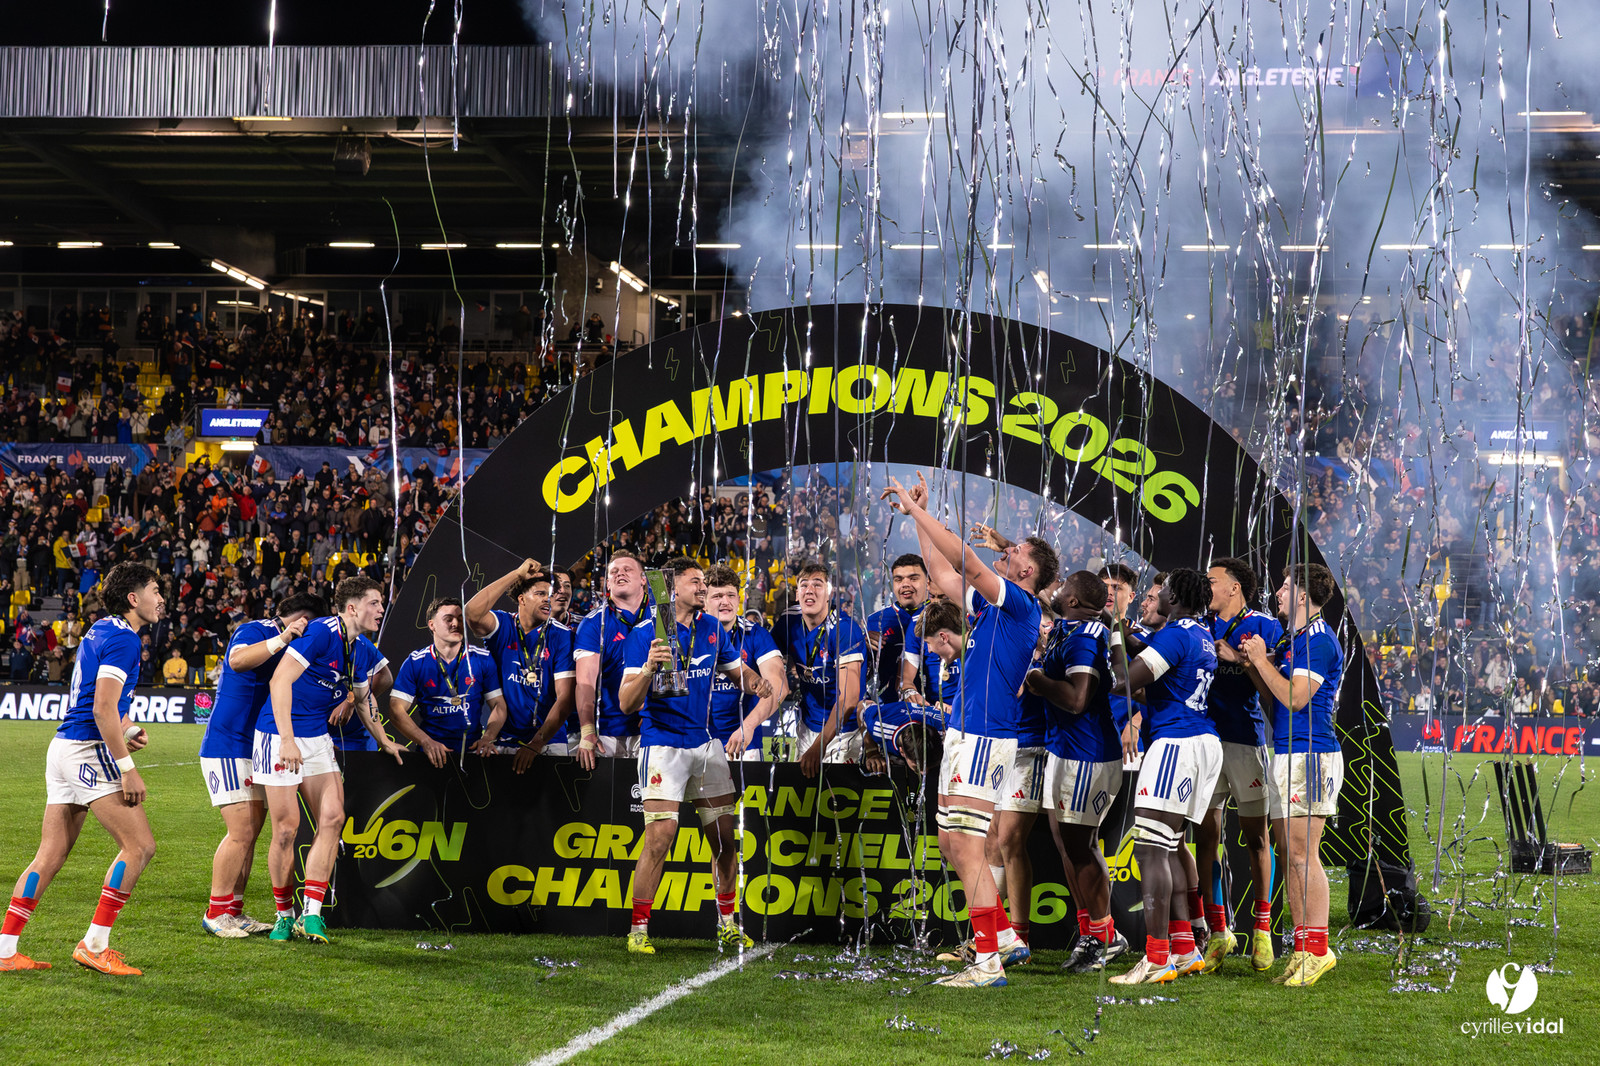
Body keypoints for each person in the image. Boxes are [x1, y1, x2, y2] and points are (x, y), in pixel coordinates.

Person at [881, 471, 1057, 988]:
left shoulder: (1020, 603)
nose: (1007, 549)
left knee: (965, 845)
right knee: (948, 839)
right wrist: (919, 516)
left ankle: (986, 962)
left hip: (983, 736)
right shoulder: (994, 608)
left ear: (1028, 569)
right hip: (968, 733)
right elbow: (942, 572)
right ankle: (1002, 936)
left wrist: (917, 510)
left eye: (1016, 550)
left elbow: (966, 560)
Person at [1, 562, 165, 975]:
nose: (161, 599)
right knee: (140, 846)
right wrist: (127, 768)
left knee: (50, 854)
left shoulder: (100, 629)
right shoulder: (125, 639)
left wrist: (128, 729)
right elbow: (101, 708)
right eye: (155, 590)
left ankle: (5, 949)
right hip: (86, 750)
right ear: (134, 598)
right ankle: (94, 945)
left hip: (63, 747)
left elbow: (104, 704)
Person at [617, 557, 772, 954]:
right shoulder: (646, 633)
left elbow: (738, 672)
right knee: (660, 837)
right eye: (695, 582)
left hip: (704, 745)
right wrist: (648, 669)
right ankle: (638, 931)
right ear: (672, 588)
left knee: (724, 839)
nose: (703, 588)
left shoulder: (712, 629)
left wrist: (757, 683)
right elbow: (626, 703)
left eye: (704, 582)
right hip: (661, 744)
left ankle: (727, 923)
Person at [256, 575, 403, 945]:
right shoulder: (322, 632)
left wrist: (385, 741)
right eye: (374, 602)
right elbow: (279, 681)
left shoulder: (361, 648)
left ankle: (312, 914)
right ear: (352, 608)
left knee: (333, 818)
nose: (381, 609)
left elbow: (364, 700)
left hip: (316, 738)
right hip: (277, 734)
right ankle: (283, 916)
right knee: (286, 830)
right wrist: (287, 741)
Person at [1106, 568, 1220, 985]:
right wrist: (1128, 636)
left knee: (1150, 850)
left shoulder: (1174, 634)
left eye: (1164, 590)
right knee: (1170, 849)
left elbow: (1123, 683)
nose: (1158, 594)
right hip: (1202, 741)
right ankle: (1185, 948)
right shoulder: (1199, 633)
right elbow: (1159, 660)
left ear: (1177, 597)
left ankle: (1156, 958)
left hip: (1176, 743)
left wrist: (1115, 640)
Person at [197, 591, 327, 939]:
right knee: (240, 831)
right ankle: (215, 912)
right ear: (302, 619)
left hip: (256, 747)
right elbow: (238, 661)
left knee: (251, 833)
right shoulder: (256, 630)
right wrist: (283, 637)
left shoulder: (298, 647)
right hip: (228, 745)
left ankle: (234, 911)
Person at [1240, 562, 1345, 988]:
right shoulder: (1294, 638)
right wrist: (1251, 664)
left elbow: (1296, 698)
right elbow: (1274, 699)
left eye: (1286, 587)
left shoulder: (1318, 640)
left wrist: (1260, 660)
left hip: (1311, 754)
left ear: (1303, 595)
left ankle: (1317, 950)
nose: (1279, 593)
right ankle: (1303, 947)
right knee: (1290, 855)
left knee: (1303, 855)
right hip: (1288, 752)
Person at [1024, 571, 1129, 973]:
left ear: (1072, 600)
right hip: (1064, 749)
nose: (1058, 586)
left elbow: (1077, 698)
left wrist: (1038, 679)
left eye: (1064, 585)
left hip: (1086, 755)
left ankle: (1104, 937)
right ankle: (1091, 933)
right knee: (1067, 844)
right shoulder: (1071, 627)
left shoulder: (1085, 635)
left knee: (1081, 848)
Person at [1199, 557, 1283, 973]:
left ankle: (1262, 929)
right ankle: (1219, 931)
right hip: (1204, 741)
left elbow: (1277, 685)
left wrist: (1240, 659)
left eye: (1212, 580)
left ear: (1234, 587)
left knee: (1256, 839)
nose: (1206, 586)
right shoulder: (1199, 624)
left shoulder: (1266, 626)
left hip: (1247, 740)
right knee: (1206, 838)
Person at [464, 562, 575, 766]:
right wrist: (516, 574)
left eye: (550, 595)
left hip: (549, 741)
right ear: (521, 599)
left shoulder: (562, 636)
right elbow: (471, 613)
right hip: (502, 739)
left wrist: (536, 744)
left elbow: (565, 699)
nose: (547, 599)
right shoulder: (503, 625)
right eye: (540, 594)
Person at [772, 560, 867, 773]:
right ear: (797, 594)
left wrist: (819, 747)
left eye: (817, 584)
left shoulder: (844, 629)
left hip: (844, 731)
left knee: (835, 793)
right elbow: (764, 657)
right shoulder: (789, 621)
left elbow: (849, 698)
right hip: (807, 725)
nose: (810, 590)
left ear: (829, 594)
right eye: (804, 585)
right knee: (803, 791)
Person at [389, 597, 507, 767]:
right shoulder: (415, 661)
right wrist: (426, 741)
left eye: (459, 619)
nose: (455, 624)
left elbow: (498, 705)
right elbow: (396, 709)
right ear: (432, 625)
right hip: (431, 755)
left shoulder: (482, 658)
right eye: (448, 619)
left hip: (473, 753)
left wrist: (488, 737)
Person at [573, 551, 652, 760]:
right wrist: (587, 731)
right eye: (614, 572)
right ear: (607, 584)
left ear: (643, 579)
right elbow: (585, 684)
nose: (620, 574)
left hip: (652, 726)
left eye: (627, 569)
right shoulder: (593, 624)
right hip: (608, 732)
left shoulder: (662, 616)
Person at [704, 565, 788, 760]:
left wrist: (747, 727)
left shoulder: (756, 634)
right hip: (698, 742)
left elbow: (780, 686)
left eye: (731, 595)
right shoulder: (691, 635)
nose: (725, 602)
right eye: (717, 596)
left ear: (739, 599)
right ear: (704, 601)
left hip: (745, 744)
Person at [865, 554, 929, 702]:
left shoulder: (942, 615)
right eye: (898, 579)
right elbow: (868, 672)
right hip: (890, 705)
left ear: (928, 581)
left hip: (933, 704)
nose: (905, 584)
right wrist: (865, 648)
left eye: (913, 578)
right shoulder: (876, 620)